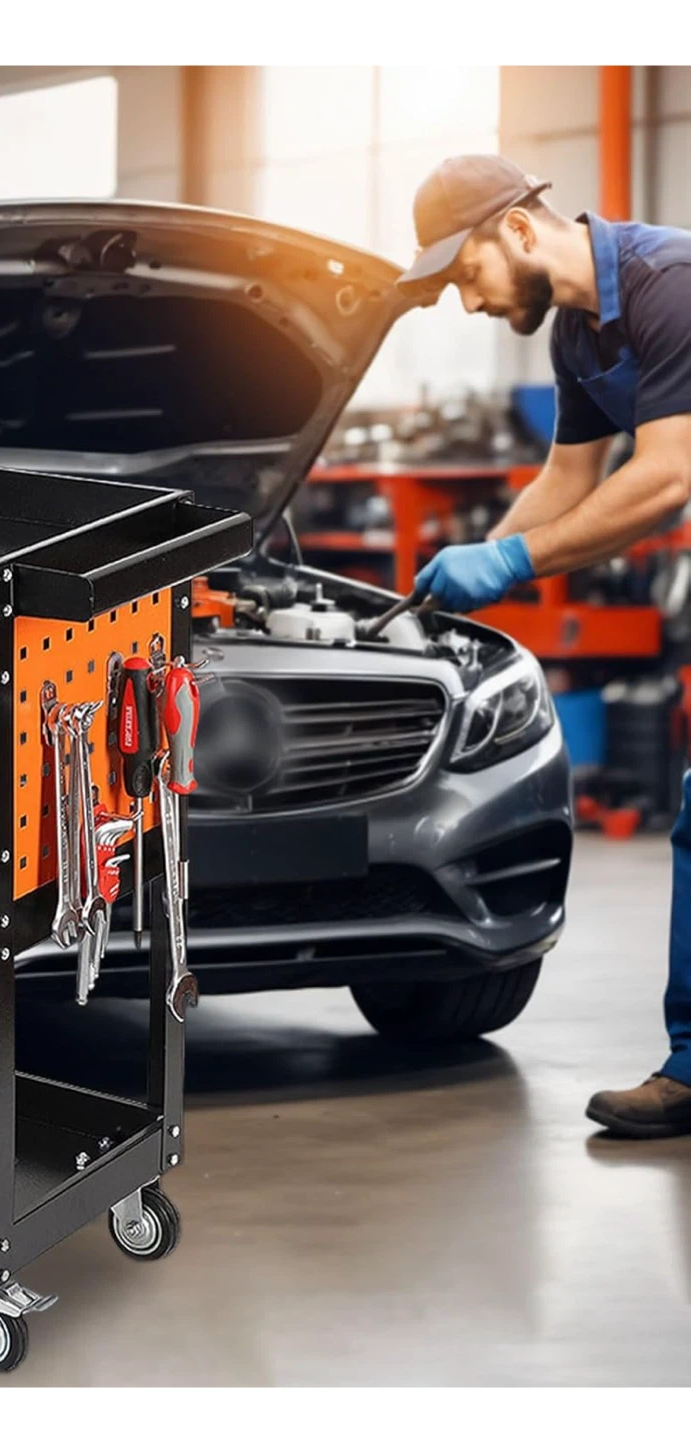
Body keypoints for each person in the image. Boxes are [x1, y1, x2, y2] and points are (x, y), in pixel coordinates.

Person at [399, 154, 691, 1138]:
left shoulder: (667, 284)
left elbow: (662, 480)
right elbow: (570, 484)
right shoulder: (575, 336)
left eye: (464, 275)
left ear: (516, 231)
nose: (466, 303)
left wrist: (513, 561)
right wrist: (474, 565)